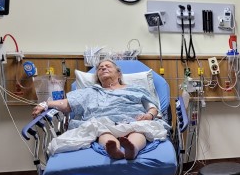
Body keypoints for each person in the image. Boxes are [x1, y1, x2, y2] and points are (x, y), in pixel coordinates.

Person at [32, 59, 168, 160]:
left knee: (139, 131)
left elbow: (152, 106)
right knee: (102, 132)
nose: (103, 68)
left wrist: (149, 116)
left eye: (108, 66)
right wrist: (46, 104)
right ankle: (114, 150)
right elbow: (68, 104)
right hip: (104, 123)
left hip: (134, 120)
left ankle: (132, 149)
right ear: (98, 77)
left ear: (119, 74)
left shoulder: (136, 89)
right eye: (100, 68)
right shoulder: (90, 91)